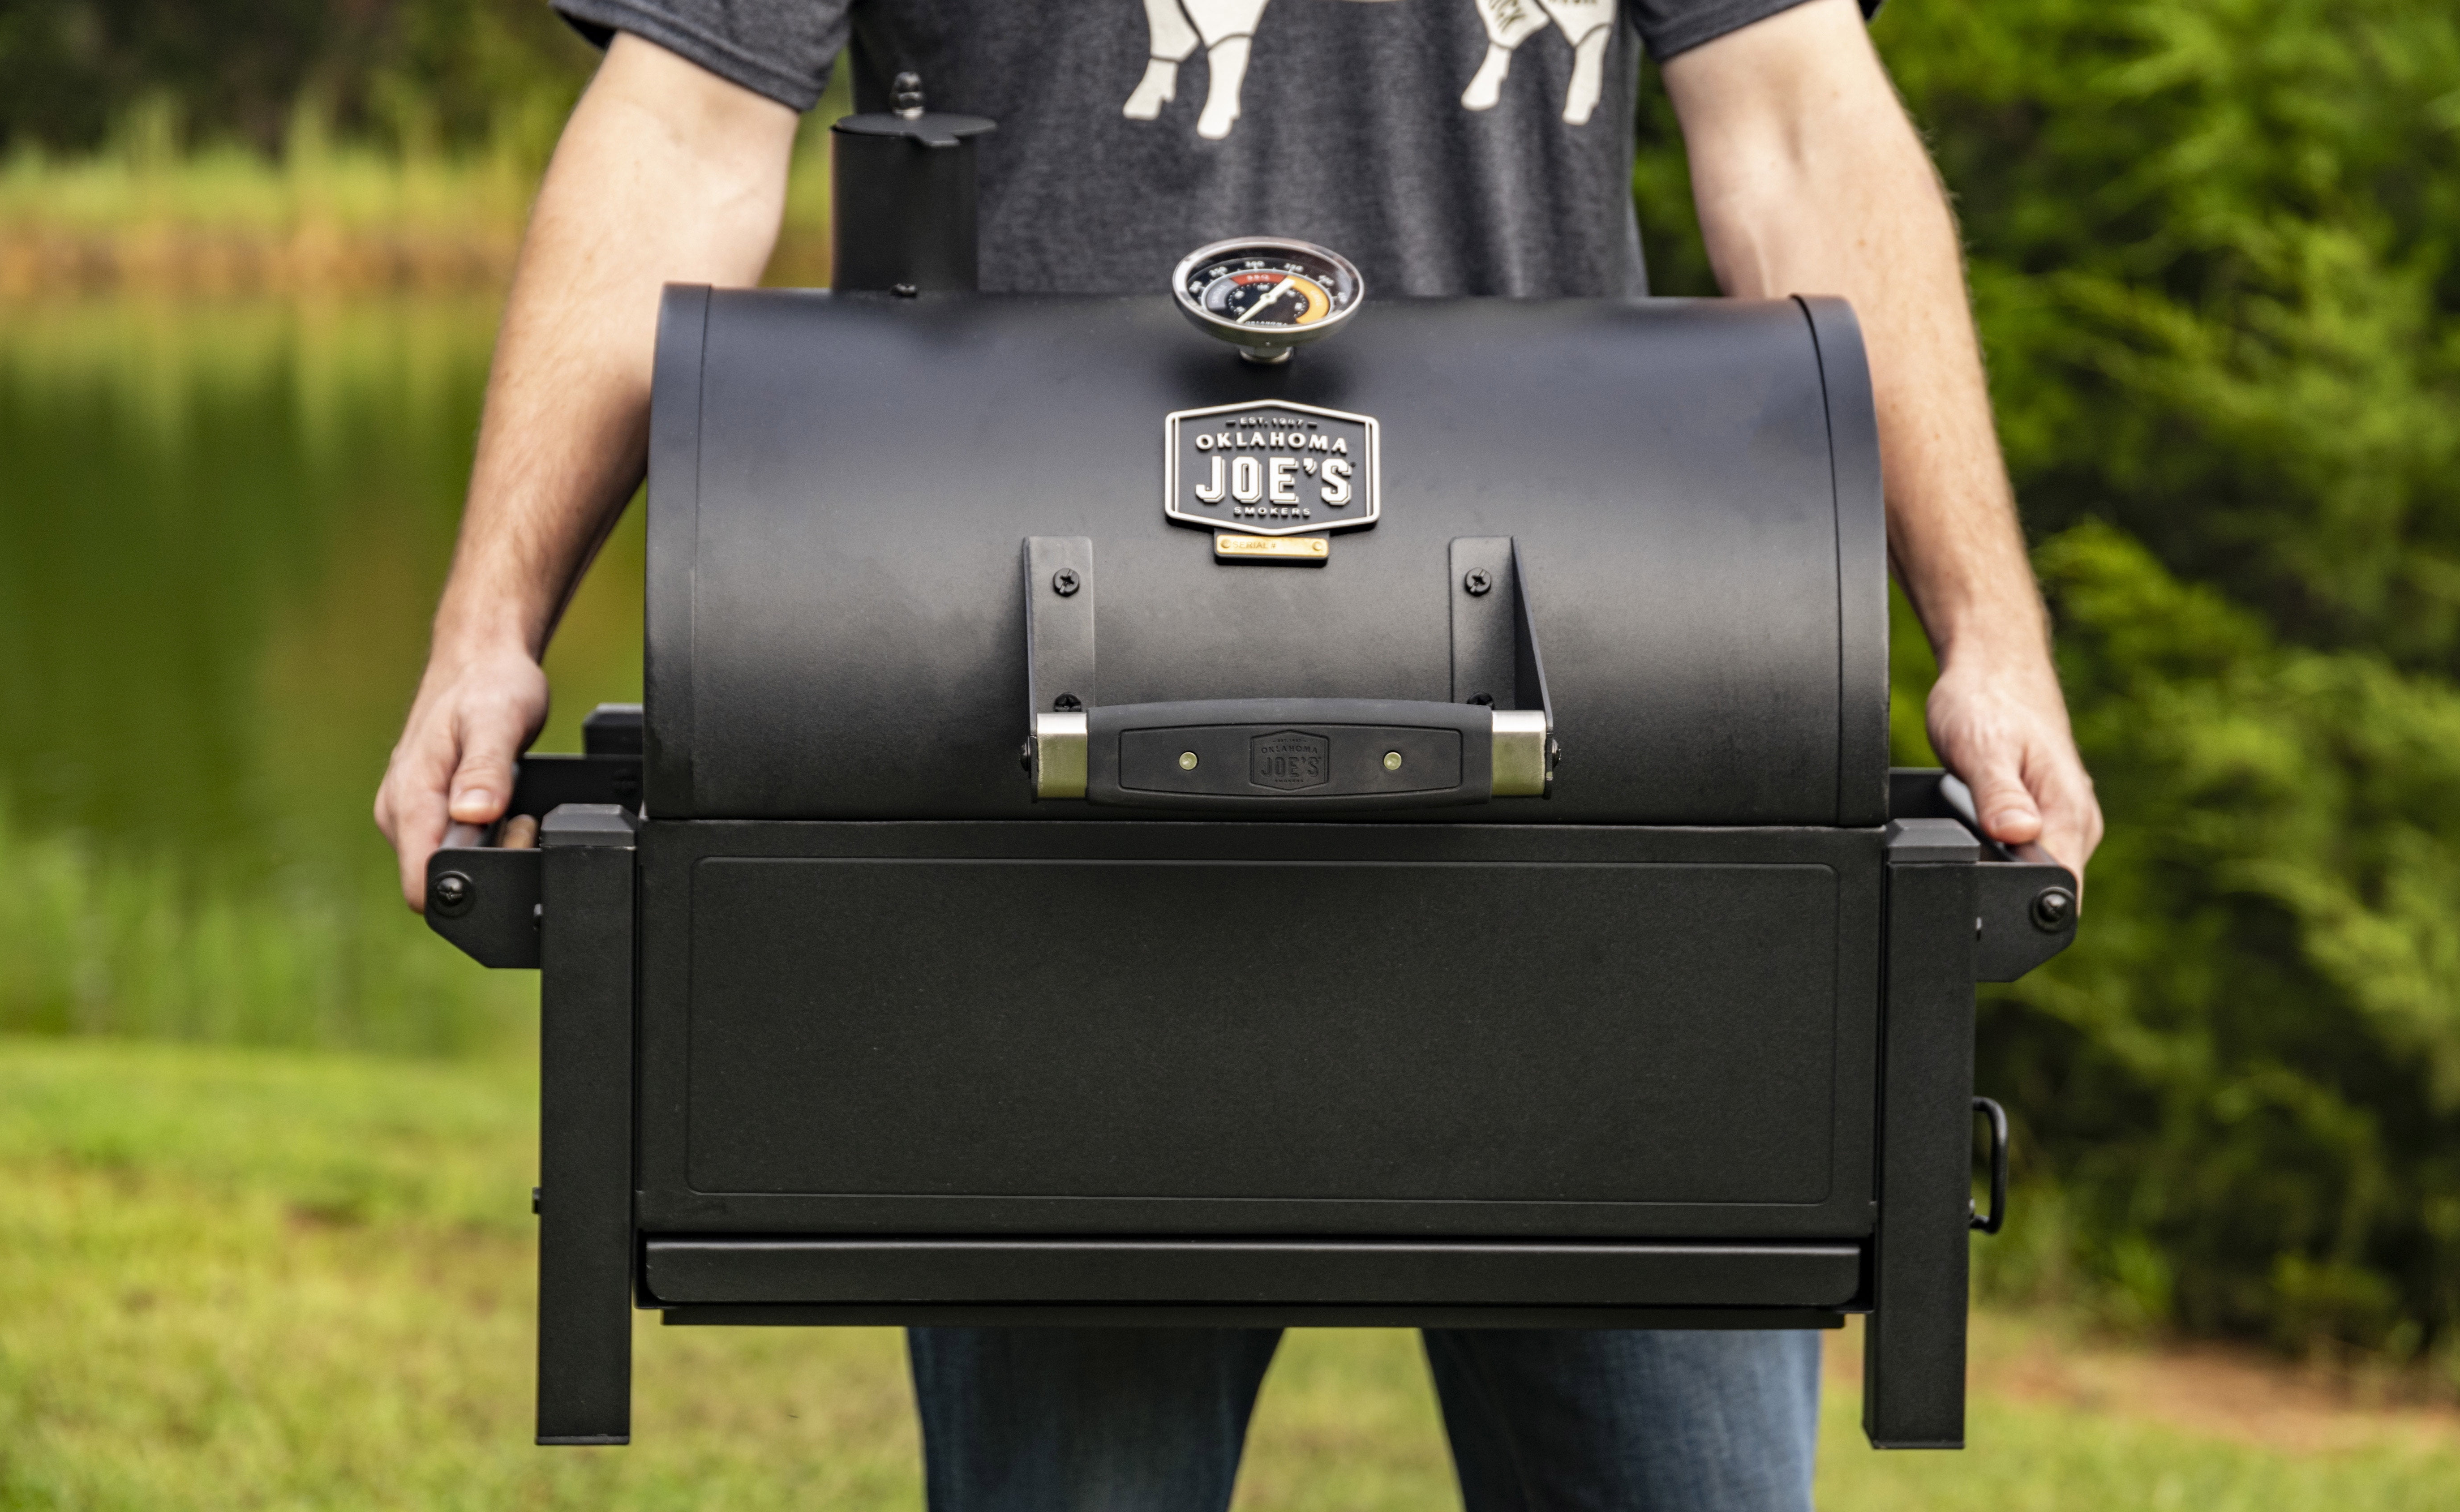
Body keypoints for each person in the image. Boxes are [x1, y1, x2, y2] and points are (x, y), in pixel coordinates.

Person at [376, 0, 2103, 1504]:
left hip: (1604, 766)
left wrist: (1993, 638)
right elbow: (681, 134)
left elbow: (1800, 124)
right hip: (1041, 803)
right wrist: (487, 627)